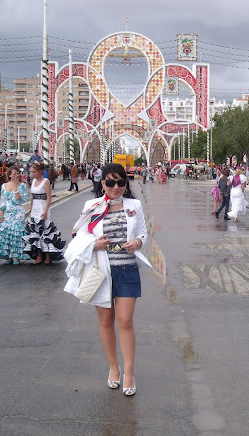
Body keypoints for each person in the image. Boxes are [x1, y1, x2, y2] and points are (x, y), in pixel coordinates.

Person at [64, 163, 151, 397]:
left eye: (120, 182)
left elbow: (143, 232)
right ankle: (114, 368)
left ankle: (129, 372)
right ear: (102, 183)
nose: (115, 187)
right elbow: (78, 234)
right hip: (101, 270)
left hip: (127, 269)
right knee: (106, 321)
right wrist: (94, 244)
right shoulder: (92, 206)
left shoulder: (134, 206)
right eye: (110, 182)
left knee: (124, 321)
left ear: (126, 183)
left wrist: (138, 243)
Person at [23, 162, 65, 265]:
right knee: (35, 233)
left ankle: (47, 256)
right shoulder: (33, 182)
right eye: (31, 172)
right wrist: (31, 209)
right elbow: (33, 197)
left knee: (45, 232)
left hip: (42, 208)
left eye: (34, 172)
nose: (33, 174)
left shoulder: (45, 181)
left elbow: (49, 197)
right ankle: (39, 256)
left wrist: (45, 211)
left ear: (40, 171)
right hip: (35, 209)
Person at [0, 166, 30, 265]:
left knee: (16, 233)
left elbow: (18, 198)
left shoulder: (22, 185)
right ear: (9, 175)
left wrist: (15, 185)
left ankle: (16, 256)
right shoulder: (4, 186)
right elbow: (2, 201)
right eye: (14, 174)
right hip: (7, 212)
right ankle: (8, 255)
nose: (16, 176)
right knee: (6, 233)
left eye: (17, 173)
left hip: (18, 212)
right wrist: (1, 215)